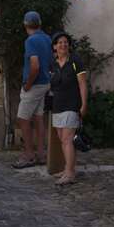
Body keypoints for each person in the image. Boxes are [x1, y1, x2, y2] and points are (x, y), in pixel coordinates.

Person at [12, 11, 52, 169]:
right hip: (45, 82)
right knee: (38, 118)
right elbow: (50, 62)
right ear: (40, 23)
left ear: (25, 25)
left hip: (34, 85)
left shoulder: (31, 41)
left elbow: (34, 65)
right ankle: (41, 154)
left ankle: (29, 154)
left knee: (23, 118)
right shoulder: (47, 38)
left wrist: (28, 84)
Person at [50, 32, 88, 185]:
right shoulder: (52, 64)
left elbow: (82, 84)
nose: (63, 45)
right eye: (59, 42)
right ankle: (68, 167)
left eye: (65, 42)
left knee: (67, 140)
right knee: (63, 140)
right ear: (54, 46)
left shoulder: (75, 61)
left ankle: (70, 173)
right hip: (57, 106)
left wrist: (84, 104)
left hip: (72, 105)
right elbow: (51, 85)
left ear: (69, 45)